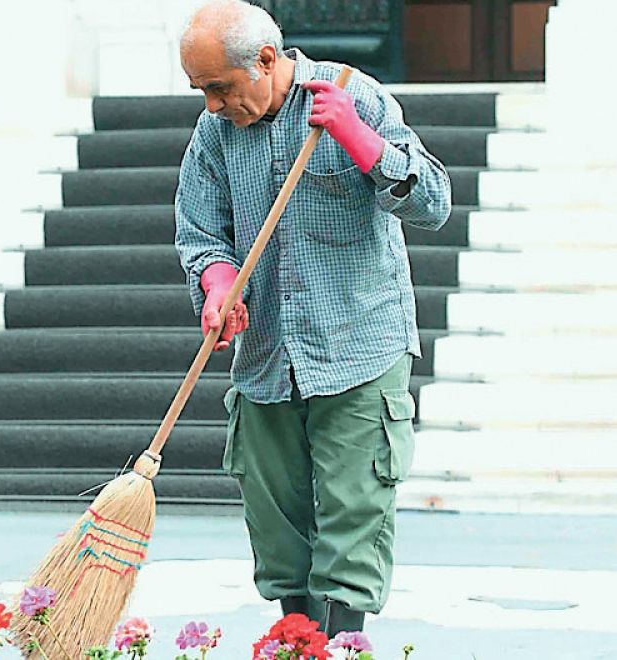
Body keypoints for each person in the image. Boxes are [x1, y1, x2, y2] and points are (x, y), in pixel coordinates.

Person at [175, 0, 451, 637]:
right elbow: (199, 230)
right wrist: (217, 285)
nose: (212, 105)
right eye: (201, 90)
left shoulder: (357, 96)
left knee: (355, 518)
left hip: (358, 346)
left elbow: (434, 203)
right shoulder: (214, 132)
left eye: (218, 87)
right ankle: (295, 644)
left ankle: (343, 645)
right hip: (268, 353)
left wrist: (363, 141)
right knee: (278, 526)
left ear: (266, 60)